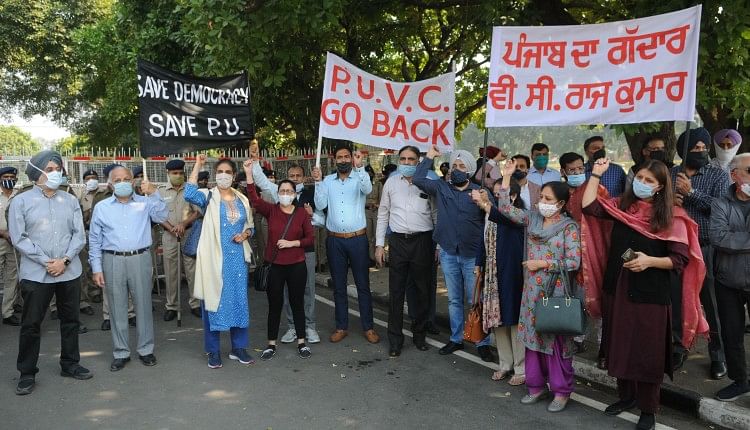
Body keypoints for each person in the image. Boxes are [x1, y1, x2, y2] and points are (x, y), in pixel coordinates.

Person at [582, 158, 705, 430]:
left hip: (650, 296)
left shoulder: (672, 217)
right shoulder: (623, 207)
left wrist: (650, 261)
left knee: (647, 355)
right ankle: (626, 398)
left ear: (661, 187)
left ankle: (648, 410)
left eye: (650, 181)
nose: (642, 183)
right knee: (620, 347)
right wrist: (596, 174)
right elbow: (588, 206)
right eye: (640, 177)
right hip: (618, 289)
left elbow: (680, 260)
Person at [485, 159, 581, 412]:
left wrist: (543, 263)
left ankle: (561, 392)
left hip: (556, 294)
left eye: (548, 199)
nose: (543, 203)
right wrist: (506, 178)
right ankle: (536, 387)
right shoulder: (533, 219)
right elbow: (505, 209)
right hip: (531, 293)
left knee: (556, 345)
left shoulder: (569, 228)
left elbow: (573, 261)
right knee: (532, 342)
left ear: (560, 204)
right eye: (542, 198)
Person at [9, 150, 92, 395]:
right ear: (37, 173)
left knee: (71, 320)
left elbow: (79, 234)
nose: (57, 173)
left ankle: (70, 363)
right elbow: (19, 238)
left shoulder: (69, 200)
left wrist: (64, 260)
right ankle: (26, 372)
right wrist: (48, 262)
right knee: (32, 323)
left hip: (69, 270)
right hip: (37, 273)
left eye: (59, 168)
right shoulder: (21, 201)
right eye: (51, 168)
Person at [413, 145, 493, 361]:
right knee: (454, 300)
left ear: (468, 170)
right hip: (449, 251)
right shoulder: (441, 186)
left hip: (473, 255)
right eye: (454, 165)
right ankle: (456, 339)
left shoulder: (479, 191)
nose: (456, 169)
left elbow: (493, 215)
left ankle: (482, 341)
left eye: (461, 166)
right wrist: (429, 157)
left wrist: (484, 201)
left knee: (475, 299)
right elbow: (418, 179)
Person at [89, 166, 167, 371]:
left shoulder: (145, 202)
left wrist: (154, 193)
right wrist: (96, 268)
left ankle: (146, 349)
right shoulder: (102, 207)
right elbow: (95, 240)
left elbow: (161, 215)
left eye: (126, 179)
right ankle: (121, 351)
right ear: (110, 183)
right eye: (117, 180)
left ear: (133, 181)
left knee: (143, 304)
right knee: (117, 307)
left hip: (140, 258)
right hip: (112, 260)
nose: (122, 182)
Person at [670, 127, 731, 379]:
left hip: (705, 249)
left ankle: (718, 356)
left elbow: (721, 210)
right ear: (683, 150)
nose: (701, 151)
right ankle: (678, 347)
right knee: (676, 302)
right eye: (695, 148)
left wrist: (691, 193)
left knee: (712, 305)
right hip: (675, 248)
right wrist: (670, 200)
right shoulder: (671, 173)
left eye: (704, 147)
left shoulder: (718, 175)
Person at [185, 155, 255, 369]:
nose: (223, 175)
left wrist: (245, 235)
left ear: (234, 176)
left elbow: (249, 226)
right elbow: (189, 193)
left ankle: (239, 348)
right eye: (220, 172)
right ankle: (213, 350)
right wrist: (198, 164)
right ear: (216, 175)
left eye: (228, 172)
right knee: (213, 303)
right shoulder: (208, 196)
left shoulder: (242, 198)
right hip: (214, 259)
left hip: (237, 260)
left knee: (238, 301)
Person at [245, 160, 314, 360]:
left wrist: (293, 243)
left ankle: (302, 342)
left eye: (288, 191)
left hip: (297, 265)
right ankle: (271, 344)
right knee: (274, 305)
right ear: (278, 194)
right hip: (275, 266)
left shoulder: (301, 213)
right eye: (282, 191)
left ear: (294, 194)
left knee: (297, 303)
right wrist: (249, 175)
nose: (285, 194)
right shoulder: (271, 210)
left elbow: (309, 238)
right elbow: (254, 199)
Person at [313, 143, 380, 344]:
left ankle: (368, 328)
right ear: (335, 160)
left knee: (363, 286)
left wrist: (360, 167)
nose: (343, 160)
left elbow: (367, 189)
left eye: (346, 156)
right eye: (339, 157)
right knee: (339, 287)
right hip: (335, 241)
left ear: (352, 158)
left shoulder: (360, 178)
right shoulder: (327, 181)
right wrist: (317, 182)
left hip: (358, 240)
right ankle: (341, 326)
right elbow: (320, 205)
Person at [375, 145, 436, 357]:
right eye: (403, 159)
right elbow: (383, 213)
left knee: (421, 291)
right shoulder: (391, 182)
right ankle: (395, 340)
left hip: (423, 241)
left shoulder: (428, 181)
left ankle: (419, 336)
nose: (407, 163)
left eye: (411, 159)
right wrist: (379, 245)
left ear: (418, 161)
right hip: (398, 242)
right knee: (396, 292)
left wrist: (437, 244)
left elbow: (436, 213)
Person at [473, 180, 526, 386]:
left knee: (513, 319)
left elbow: (503, 217)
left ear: (512, 197)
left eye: (500, 194)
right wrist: (479, 263)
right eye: (494, 194)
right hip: (492, 274)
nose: (494, 198)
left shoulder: (519, 216)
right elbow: (483, 239)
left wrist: (487, 204)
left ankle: (521, 367)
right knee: (498, 319)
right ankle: (505, 363)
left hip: (512, 273)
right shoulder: (489, 214)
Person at [559, 152, 610, 359]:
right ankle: (577, 339)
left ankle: (604, 347)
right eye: (572, 170)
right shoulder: (559, 192)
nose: (578, 172)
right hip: (566, 255)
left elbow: (607, 219)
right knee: (573, 299)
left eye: (581, 168)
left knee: (596, 299)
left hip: (593, 253)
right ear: (563, 172)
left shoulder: (596, 189)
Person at [710, 153, 750, 401]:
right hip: (728, 280)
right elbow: (719, 238)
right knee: (731, 334)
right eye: (749, 170)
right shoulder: (721, 202)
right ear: (734, 175)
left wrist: (737, 240)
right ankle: (740, 381)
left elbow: (729, 238)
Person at [159, 159, 201, 320]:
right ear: (168, 174)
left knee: (192, 271)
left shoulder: (191, 190)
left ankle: (195, 304)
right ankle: (172, 306)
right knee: (171, 271)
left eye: (180, 173)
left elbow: (197, 212)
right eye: (174, 173)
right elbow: (157, 214)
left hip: (188, 235)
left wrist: (183, 223)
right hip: (169, 236)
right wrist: (171, 228)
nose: (178, 176)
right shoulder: (161, 191)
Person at [78, 169, 107, 307]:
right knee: (89, 264)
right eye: (88, 178)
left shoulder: (104, 193)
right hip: (88, 231)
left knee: (104, 261)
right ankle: (94, 291)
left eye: (94, 177)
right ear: (84, 181)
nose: (91, 180)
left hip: (104, 233)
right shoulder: (80, 195)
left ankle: (105, 290)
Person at [0, 166, 20, 326]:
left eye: (12, 177)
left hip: (14, 243)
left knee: (12, 278)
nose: (9, 179)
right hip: (2, 239)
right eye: (6, 176)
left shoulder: (19, 196)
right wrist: (3, 233)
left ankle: (8, 312)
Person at [365, 164, 382, 267]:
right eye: (367, 173)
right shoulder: (362, 185)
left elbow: (382, 198)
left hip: (376, 211)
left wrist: (377, 205)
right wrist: (367, 204)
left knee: (376, 235)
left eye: (370, 173)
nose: (369, 175)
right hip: (366, 211)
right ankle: (370, 258)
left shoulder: (378, 184)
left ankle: (378, 258)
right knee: (368, 236)